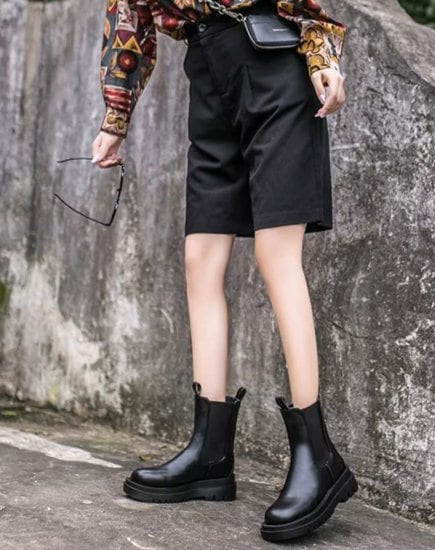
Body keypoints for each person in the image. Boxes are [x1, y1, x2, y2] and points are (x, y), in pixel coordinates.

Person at [91, 0, 357, 542]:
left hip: (273, 61)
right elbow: (128, 14)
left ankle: (318, 454)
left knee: (275, 256)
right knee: (200, 259)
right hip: (208, 70)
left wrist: (321, 52)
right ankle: (210, 453)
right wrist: (115, 117)